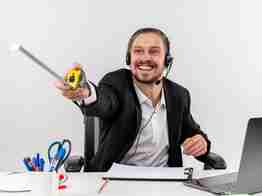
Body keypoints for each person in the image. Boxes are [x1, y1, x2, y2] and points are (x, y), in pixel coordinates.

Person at [55, 27, 211, 171]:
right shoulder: (115, 83)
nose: (145, 58)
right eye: (138, 51)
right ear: (129, 58)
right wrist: (87, 92)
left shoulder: (179, 95)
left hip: (165, 181)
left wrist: (201, 143)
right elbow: (104, 101)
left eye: (154, 51)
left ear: (167, 60)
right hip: (115, 181)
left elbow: (193, 133)